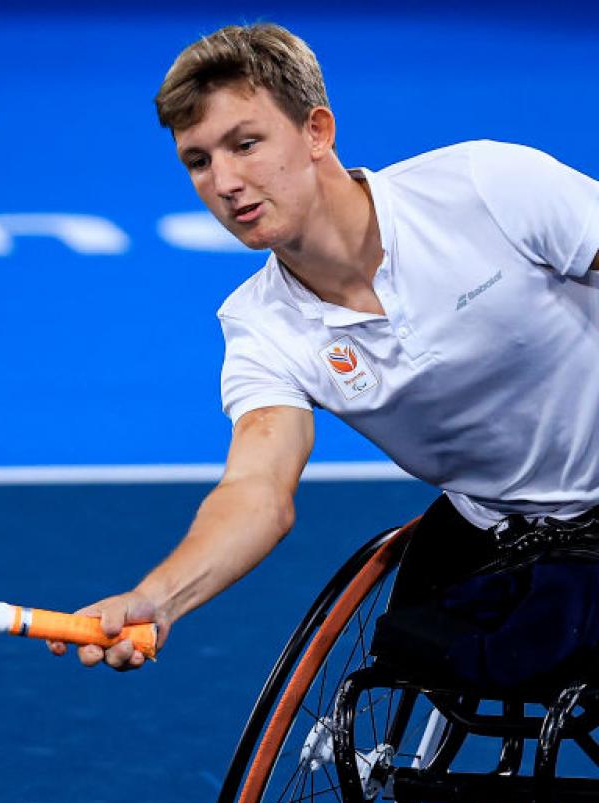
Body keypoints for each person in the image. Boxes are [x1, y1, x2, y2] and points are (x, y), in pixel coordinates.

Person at [49, 22, 599, 676]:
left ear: (317, 131)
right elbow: (257, 490)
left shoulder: (486, 187)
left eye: (245, 144)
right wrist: (156, 598)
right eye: (198, 161)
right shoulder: (262, 329)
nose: (224, 182)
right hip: (507, 537)